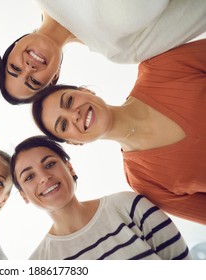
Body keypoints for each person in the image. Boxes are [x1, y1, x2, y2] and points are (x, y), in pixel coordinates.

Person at [31, 39, 206, 224]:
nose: (74, 115)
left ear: (87, 91)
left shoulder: (160, 67)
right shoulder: (145, 183)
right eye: (64, 125)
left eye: (69, 102)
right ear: (75, 142)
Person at [11, 135, 191, 260]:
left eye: (50, 164)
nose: (44, 177)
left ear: (70, 168)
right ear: (24, 196)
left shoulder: (128, 206)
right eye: (29, 177)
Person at [1, 0, 206, 104]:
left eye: (15, 68)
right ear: (55, 77)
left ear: (16, 44)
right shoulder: (119, 50)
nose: (28, 68)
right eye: (33, 81)